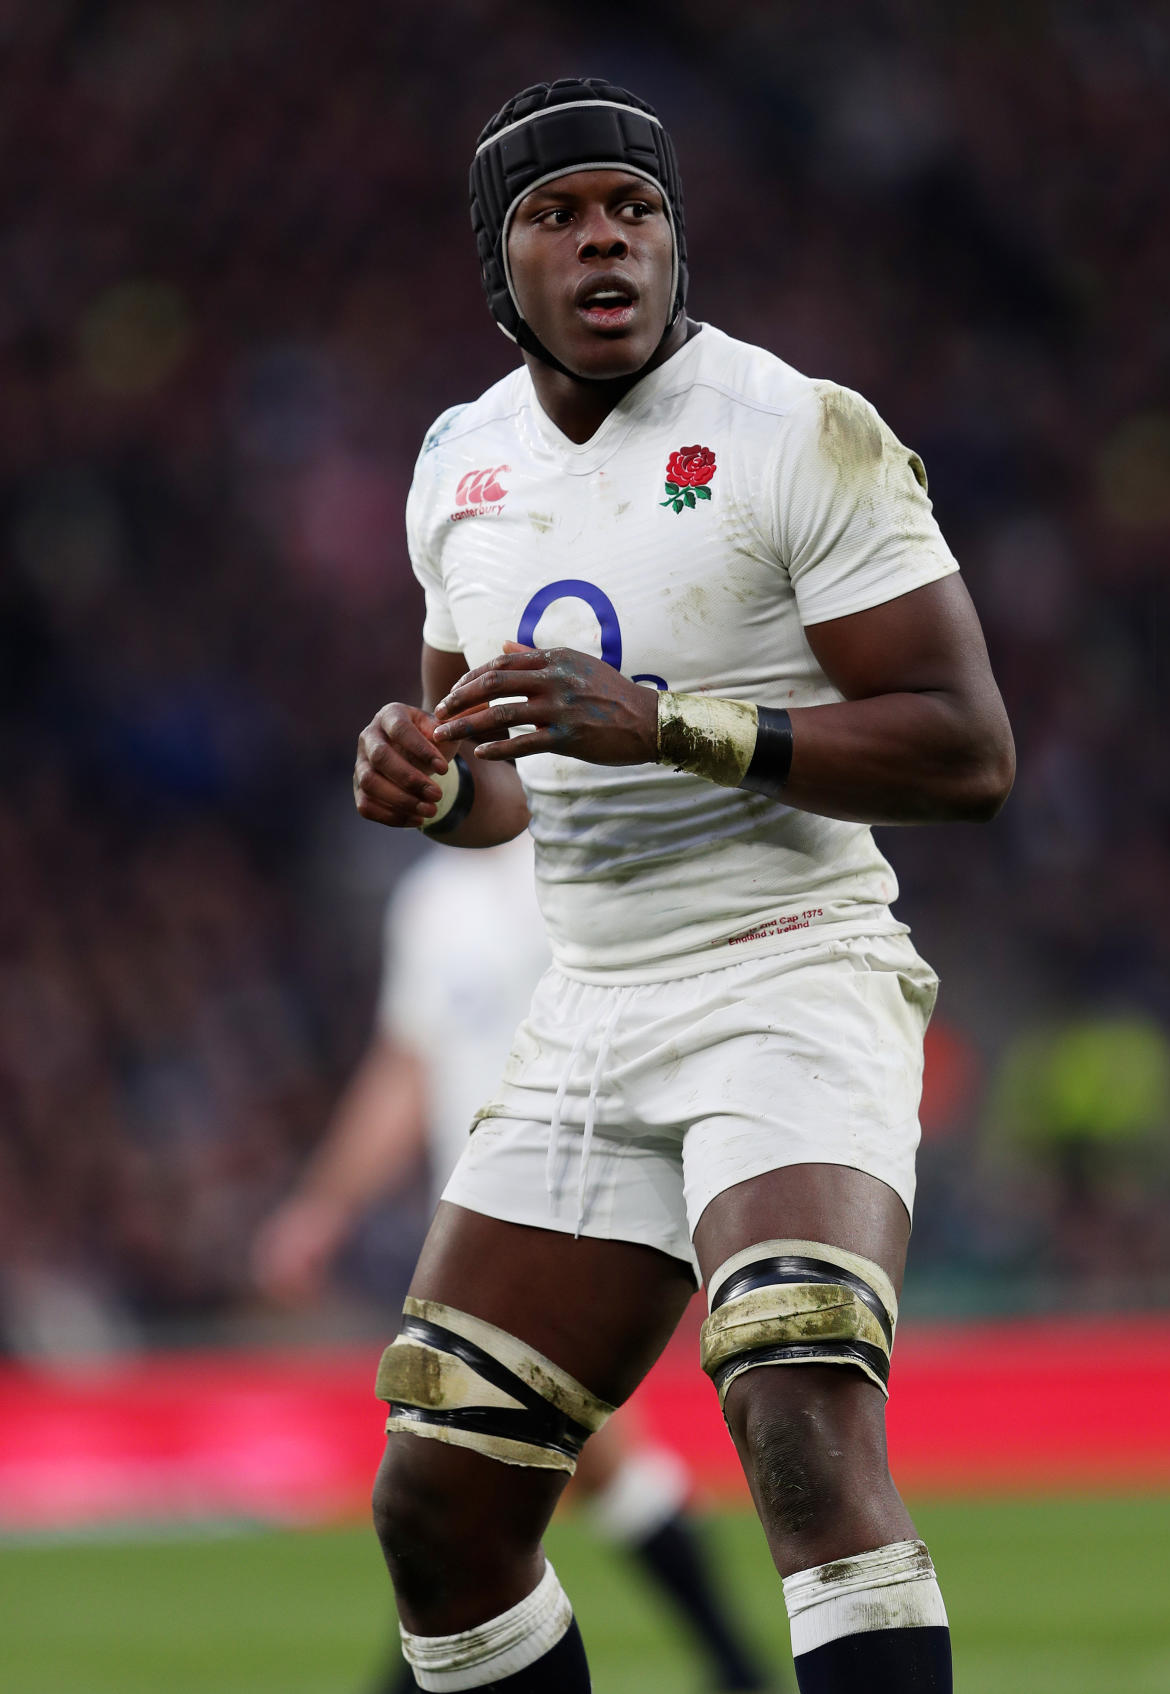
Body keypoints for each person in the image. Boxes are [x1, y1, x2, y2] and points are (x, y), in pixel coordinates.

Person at [352, 77, 1015, 1693]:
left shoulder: (802, 429)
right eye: (558, 215)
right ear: (495, 262)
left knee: (792, 1402)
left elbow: (964, 748)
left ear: (673, 239)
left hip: (789, 966)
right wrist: (431, 781)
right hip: (592, 1005)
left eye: (632, 212)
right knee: (438, 1503)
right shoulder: (460, 463)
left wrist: (672, 725)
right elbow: (493, 781)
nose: (604, 243)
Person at [253, 834, 770, 1692]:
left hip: (580, 1204)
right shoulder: (429, 900)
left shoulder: (579, 856)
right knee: (495, 1473)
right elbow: (406, 1068)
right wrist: (325, 1206)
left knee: (458, 1473)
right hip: (472, 1225)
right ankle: (738, 1671)